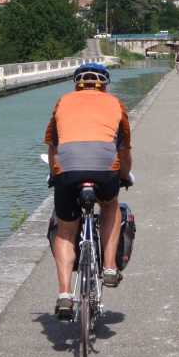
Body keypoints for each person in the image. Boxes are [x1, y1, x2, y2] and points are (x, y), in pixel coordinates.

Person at [45, 63, 133, 320]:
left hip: (67, 171)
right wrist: (124, 177)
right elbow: (124, 152)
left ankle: (64, 294)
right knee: (110, 204)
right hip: (104, 170)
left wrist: (54, 175)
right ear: (105, 86)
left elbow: (53, 148)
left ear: (76, 85)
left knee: (65, 231)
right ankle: (108, 266)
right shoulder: (115, 104)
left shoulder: (62, 102)